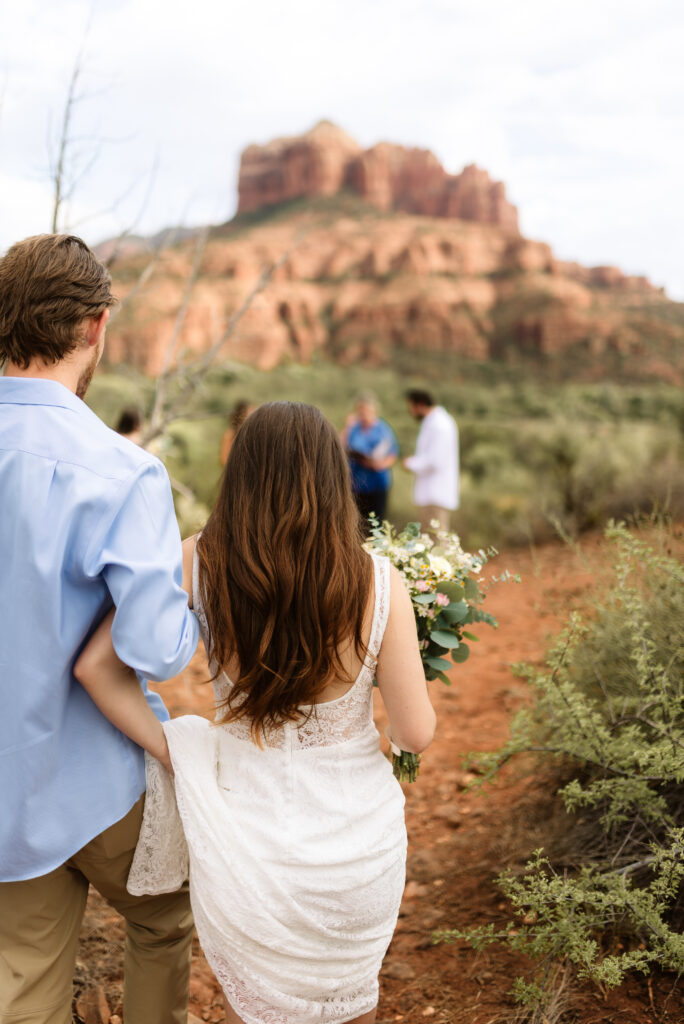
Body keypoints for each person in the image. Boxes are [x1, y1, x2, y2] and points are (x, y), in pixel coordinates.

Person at [74, 401, 436, 1024]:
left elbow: (95, 669)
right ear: (333, 480)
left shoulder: (200, 561)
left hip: (246, 842)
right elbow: (416, 732)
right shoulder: (382, 583)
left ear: (240, 475)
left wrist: (176, 750)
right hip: (356, 852)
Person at [0, 234, 199, 1024]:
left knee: (22, 975)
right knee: (164, 918)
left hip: (5, 792)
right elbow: (155, 647)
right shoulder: (124, 471)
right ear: (95, 328)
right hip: (97, 780)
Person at [404, 389, 459, 532]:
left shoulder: (440, 425)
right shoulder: (434, 423)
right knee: (430, 541)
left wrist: (410, 463)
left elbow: (435, 460)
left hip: (435, 494)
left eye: (411, 407)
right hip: (430, 494)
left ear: (420, 405)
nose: (410, 411)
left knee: (436, 543)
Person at [341, 391, 399, 527]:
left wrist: (379, 464)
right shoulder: (354, 429)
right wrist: (348, 426)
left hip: (376, 483)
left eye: (365, 411)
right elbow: (340, 445)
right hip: (356, 485)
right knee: (356, 524)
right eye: (360, 411)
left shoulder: (382, 430)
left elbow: (392, 453)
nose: (363, 414)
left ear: (373, 410)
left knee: (375, 525)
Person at [219, 398, 254, 466]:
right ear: (241, 415)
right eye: (251, 412)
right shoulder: (230, 435)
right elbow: (224, 460)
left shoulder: (254, 434)